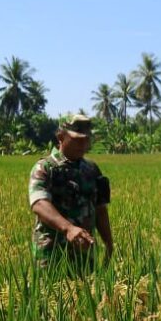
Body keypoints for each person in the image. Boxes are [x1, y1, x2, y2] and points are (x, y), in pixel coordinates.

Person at [28, 114, 113, 269]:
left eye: (86, 139)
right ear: (61, 136)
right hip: (51, 254)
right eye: (77, 139)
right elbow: (39, 203)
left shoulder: (92, 170)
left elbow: (100, 209)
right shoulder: (45, 168)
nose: (83, 144)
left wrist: (108, 243)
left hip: (84, 254)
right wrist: (68, 228)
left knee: (85, 292)